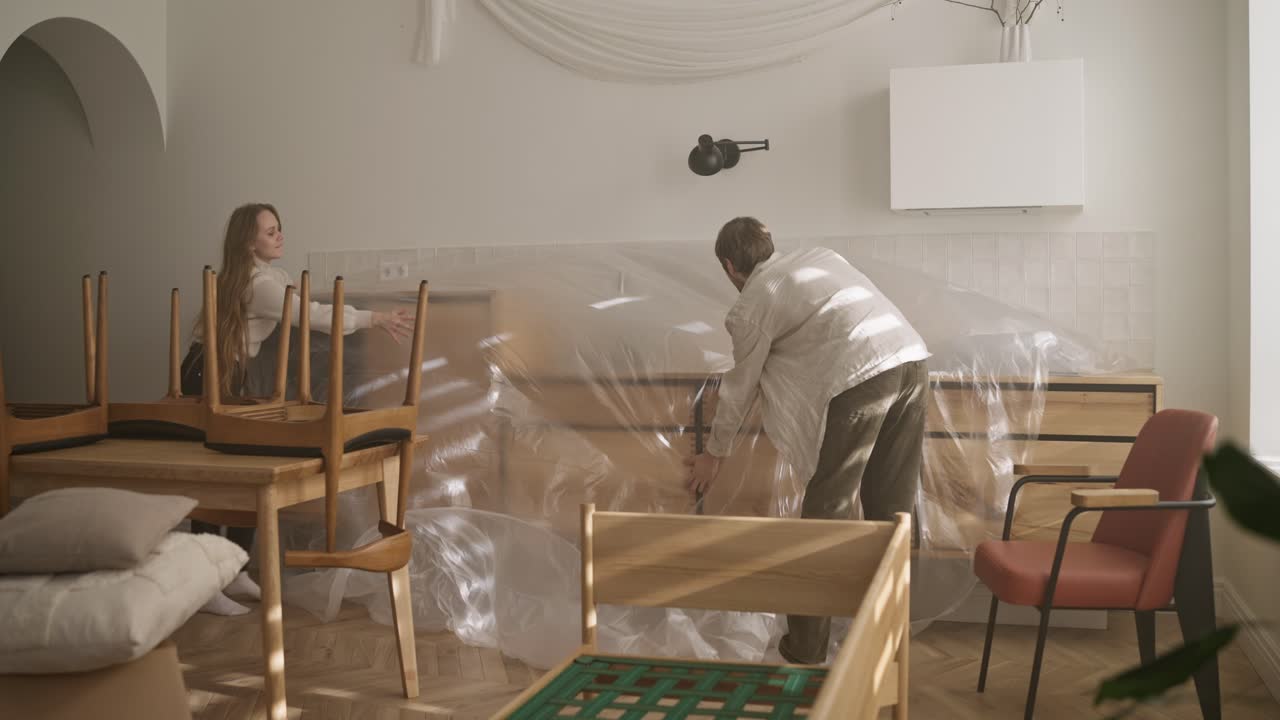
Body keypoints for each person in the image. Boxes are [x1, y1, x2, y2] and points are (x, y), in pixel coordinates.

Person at [684, 217, 930, 665]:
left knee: (826, 510)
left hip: (865, 374)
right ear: (768, 245)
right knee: (892, 511)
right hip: (911, 360)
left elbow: (740, 386)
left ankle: (806, 648)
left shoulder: (752, 304)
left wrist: (714, 454)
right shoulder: (821, 257)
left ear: (729, 266)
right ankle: (887, 639)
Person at [181, 202, 415, 615]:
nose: (280, 236)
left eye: (279, 228)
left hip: (229, 370)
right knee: (218, 475)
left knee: (245, 473)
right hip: (209, 371)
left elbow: (303, 306)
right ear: (248, 242)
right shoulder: (258, 284)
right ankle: (206, 583)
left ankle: (234, 569)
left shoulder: (272, 277)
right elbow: (311, 315)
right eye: (270, 231)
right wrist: (374, 318)